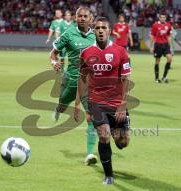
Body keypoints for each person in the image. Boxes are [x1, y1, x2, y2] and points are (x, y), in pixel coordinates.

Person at [74, 17, 131, 185]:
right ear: (94, 30)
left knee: (122, 143)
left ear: (109, 30)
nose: (100, 30)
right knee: (104, 136)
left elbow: (126, 79)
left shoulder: (121, 51)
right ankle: (109, 175)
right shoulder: (86, 53)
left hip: (116, 103)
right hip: (96, 102)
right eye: (97, 27)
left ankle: (118, 128)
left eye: (103, 27)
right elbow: (82, 79)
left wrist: (123, 104)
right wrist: (79, 104)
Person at [49, 7, 97, 165]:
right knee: (63, 105)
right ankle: (58, 109)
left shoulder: (97, 35)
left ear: (91, 18)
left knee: (91, 117)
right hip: (71, 80)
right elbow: (53, 52)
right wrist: (54, 62)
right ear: (76, 18)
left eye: (86, 16)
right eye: (80, 16)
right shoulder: (69, 34)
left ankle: (90, 154)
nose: (83, 18)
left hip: (89, 84)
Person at [150, 13, 172, 83]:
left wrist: (170, 45)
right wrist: (151, 46)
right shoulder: (155, 25)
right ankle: (157, 78)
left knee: (169, 58)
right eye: (161, 17)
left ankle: (164, 77)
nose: (162, 18)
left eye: (164, 17)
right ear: (159, 18)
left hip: (165, 45)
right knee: (157, 61)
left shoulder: (168, 25)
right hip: (158, 45)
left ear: (165, 18)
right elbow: (152, 35)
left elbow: (168, 35)